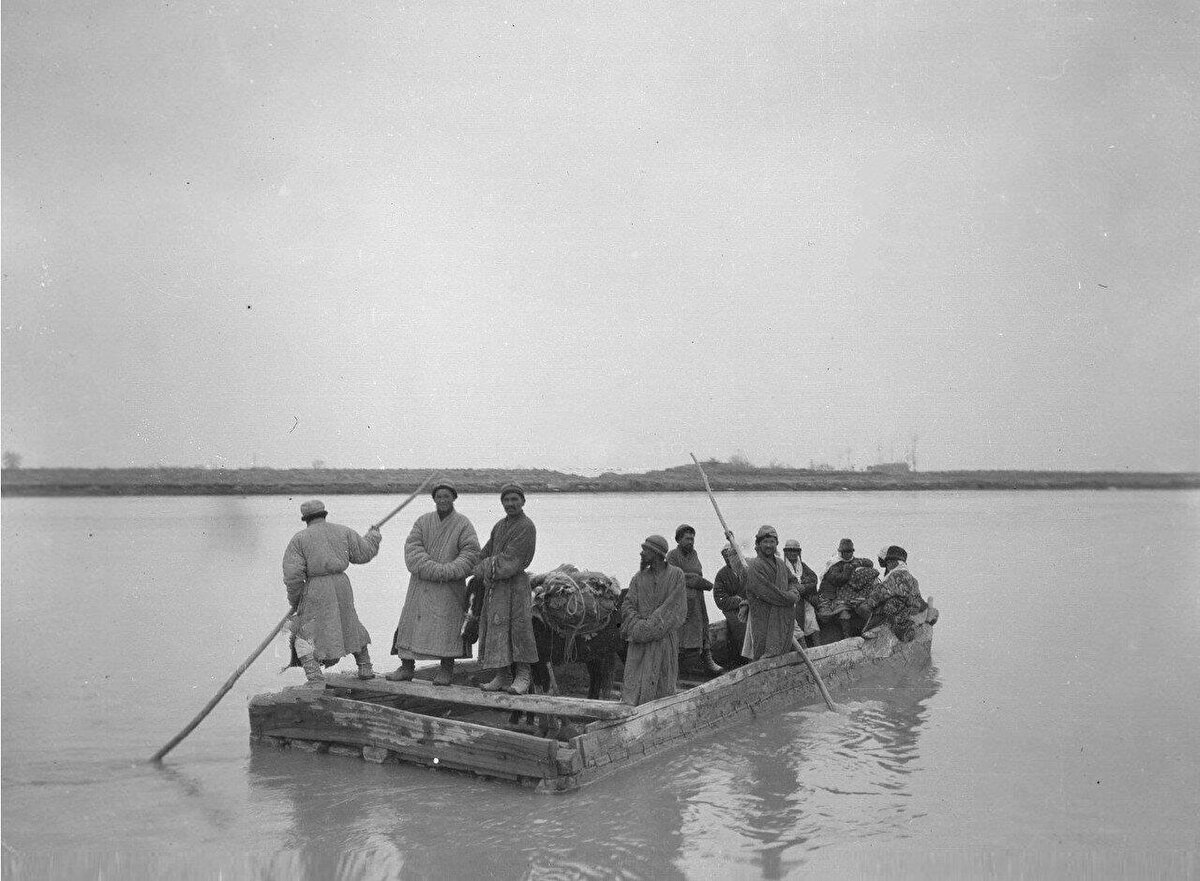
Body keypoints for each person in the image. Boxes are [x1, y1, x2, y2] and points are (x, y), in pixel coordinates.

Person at [386, 481, 481, 686]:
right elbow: (412, 549)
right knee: (411, 625)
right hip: (422, 585)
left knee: (448, 628)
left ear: (454, 498)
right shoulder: (422, 522)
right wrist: (433, 569)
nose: (443, 500)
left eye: (447, 496)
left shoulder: (463, 524)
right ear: (434, 499)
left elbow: (471, 552)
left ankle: (446, 669)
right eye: (439, 497)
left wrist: (449, 571)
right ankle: (406, 667)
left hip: (450, 587)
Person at [282, 500, 382, 688]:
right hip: (341, 586)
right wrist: (373, 536)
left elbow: (293, 576)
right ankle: (365, 667)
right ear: (324, 514)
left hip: (316, 588)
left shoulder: (299, 539)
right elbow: (364, 553)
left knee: (305, 634)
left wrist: (296, 601)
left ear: (305, 518)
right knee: (349, 622)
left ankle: (315, 678)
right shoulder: (343, 531)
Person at [473, 483, 539, 694]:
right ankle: (502, 675)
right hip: (497, 589)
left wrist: (484, 567)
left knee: (519, 630)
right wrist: (477, 564)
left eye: (514, 500)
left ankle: (523, 676)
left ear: (523, 502)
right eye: (506, 500)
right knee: (496, 627)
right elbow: (485, 554)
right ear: (502, 502)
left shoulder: (526, 526)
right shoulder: (499, 526)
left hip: (516, 586)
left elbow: (511, 560)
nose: (510, 504)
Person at [620, 534, 688, 705]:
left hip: (663, 642)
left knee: (662, 690)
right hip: (639, 644)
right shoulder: (638, 578)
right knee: (634, 691)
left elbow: (675, 609)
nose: (641, 554)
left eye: (645, 550)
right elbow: (627, 606)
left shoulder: (676, 575)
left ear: (657, 553)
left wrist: (649, 628)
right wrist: (638, 625)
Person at [666, 524, 724, 677]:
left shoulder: (694, 554)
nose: (691, 541)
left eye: (692, 538)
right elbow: (674, 576)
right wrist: (698, 581)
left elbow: (696, 572)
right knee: (680, 632)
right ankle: (676, 666)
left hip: (697, 600)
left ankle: (707, 657)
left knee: (702, 627)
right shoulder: (672, 555)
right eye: (687, 538)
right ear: (679, 539)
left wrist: (697, 580)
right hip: (679, 600)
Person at [742, 526, 802, 661]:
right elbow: (771, 593)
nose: (769, 545)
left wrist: (793, 591)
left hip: (783, 617)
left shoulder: (780, 563)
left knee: (782, 651)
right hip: (764, 618)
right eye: (765, 542)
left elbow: (792, 580)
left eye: (772, 542)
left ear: (776, 544)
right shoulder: (755, 567)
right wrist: (792, 597)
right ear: (758, 544)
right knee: (763, 652)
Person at [861, 545, 927, 642]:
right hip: (912, 610)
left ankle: (873, 630)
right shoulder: (912, 578)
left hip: (898, 610)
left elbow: (881, 592)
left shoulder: (895, 576)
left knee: (884, 606)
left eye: (889, 562)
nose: (887, 565)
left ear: (895, 562)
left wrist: (868, 604)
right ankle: (906, 628)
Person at [815, 538, 873, 643]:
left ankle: (869, 630)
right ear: (841, 552)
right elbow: (839, 579)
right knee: (842, 613)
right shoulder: (834, 565)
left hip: (852, 595)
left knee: (866, 608)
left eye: (850, 551)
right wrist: (848, 569)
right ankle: (847, 638)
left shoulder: (854, 560)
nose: (848, 554)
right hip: (833, 596)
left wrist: (857, 563)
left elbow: (869, 563)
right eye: (846, 552)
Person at [712, 544, 748, 667]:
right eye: (725, 555)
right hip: (733, 610)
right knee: (740, 627)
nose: (728, 558)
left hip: (751, 606)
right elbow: (720, 599)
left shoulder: (746, 568)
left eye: (732, 554)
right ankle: (745, 660)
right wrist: (737, 601)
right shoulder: (721, 575)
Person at [782, 539, 820, 647]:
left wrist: (804, 587)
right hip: (791, 601)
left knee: (812, 621)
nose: (793, 553)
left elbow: (814, 579)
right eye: (790, 550)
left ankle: (818, 647)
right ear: (786, 552)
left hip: (804, 600)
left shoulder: (803, 566)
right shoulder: (782, 567)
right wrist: (795, 588)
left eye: (795, 551)